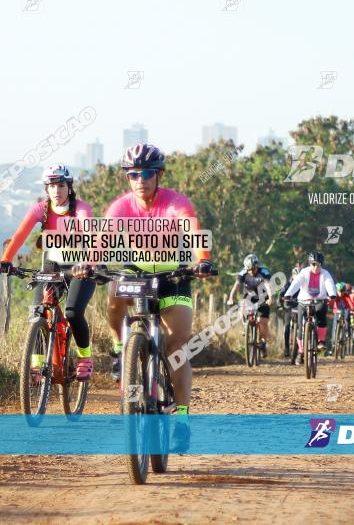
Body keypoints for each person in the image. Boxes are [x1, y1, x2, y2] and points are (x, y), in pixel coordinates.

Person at [102, 144, 214, 438]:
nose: (141, 180)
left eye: (147, 173)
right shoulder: (121, 207)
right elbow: (102, 241)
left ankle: (182, 420)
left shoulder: (175, 203)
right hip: (136, 273)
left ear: (159, 175)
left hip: (172, 277)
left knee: (177, 349)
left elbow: (192, 229)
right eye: (134, 174)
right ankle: (119, 349)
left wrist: (202, 260)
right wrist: (89, 263)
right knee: (114, 293)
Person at [0, 165, 96, 381]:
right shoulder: (40, 209)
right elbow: (19, 236)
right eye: (51, 186)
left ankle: (85, 358)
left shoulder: (81, 209)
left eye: (61, 185)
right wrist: (5, 259)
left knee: (72, 312)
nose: (56, 190)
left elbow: (90, 236)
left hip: (80, 268)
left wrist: (89, 263)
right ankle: (36, 366)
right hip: (51, 267)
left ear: (69, 187)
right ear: (47, 189)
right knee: (37, 312)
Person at [283, 251, 337, 364]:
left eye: (318, 264)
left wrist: (332, 295)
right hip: (303, 301)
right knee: (300, 327)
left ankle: (321, 341)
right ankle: (301, 352)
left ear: (321, 264)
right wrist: (288, 294)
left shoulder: (325, 273)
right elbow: (296, 283)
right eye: (313, 264)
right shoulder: (304, 272)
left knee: (322, 314)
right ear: (309, 263)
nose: (315, 267)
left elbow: (329, 283)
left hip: (319, 301)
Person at [227, 254, 273, 357]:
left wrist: (270, 298)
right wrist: (231, 298)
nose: (251, 272)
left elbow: (267, 285)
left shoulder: (264, 272)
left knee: (263, 322)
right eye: (249, 270)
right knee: (243, 306)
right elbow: (236, 287)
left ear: (257, 266)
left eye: (253, 269)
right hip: (249, 296)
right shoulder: (243, 273)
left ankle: (263, 342)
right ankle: (246, 326)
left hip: (263, 297)